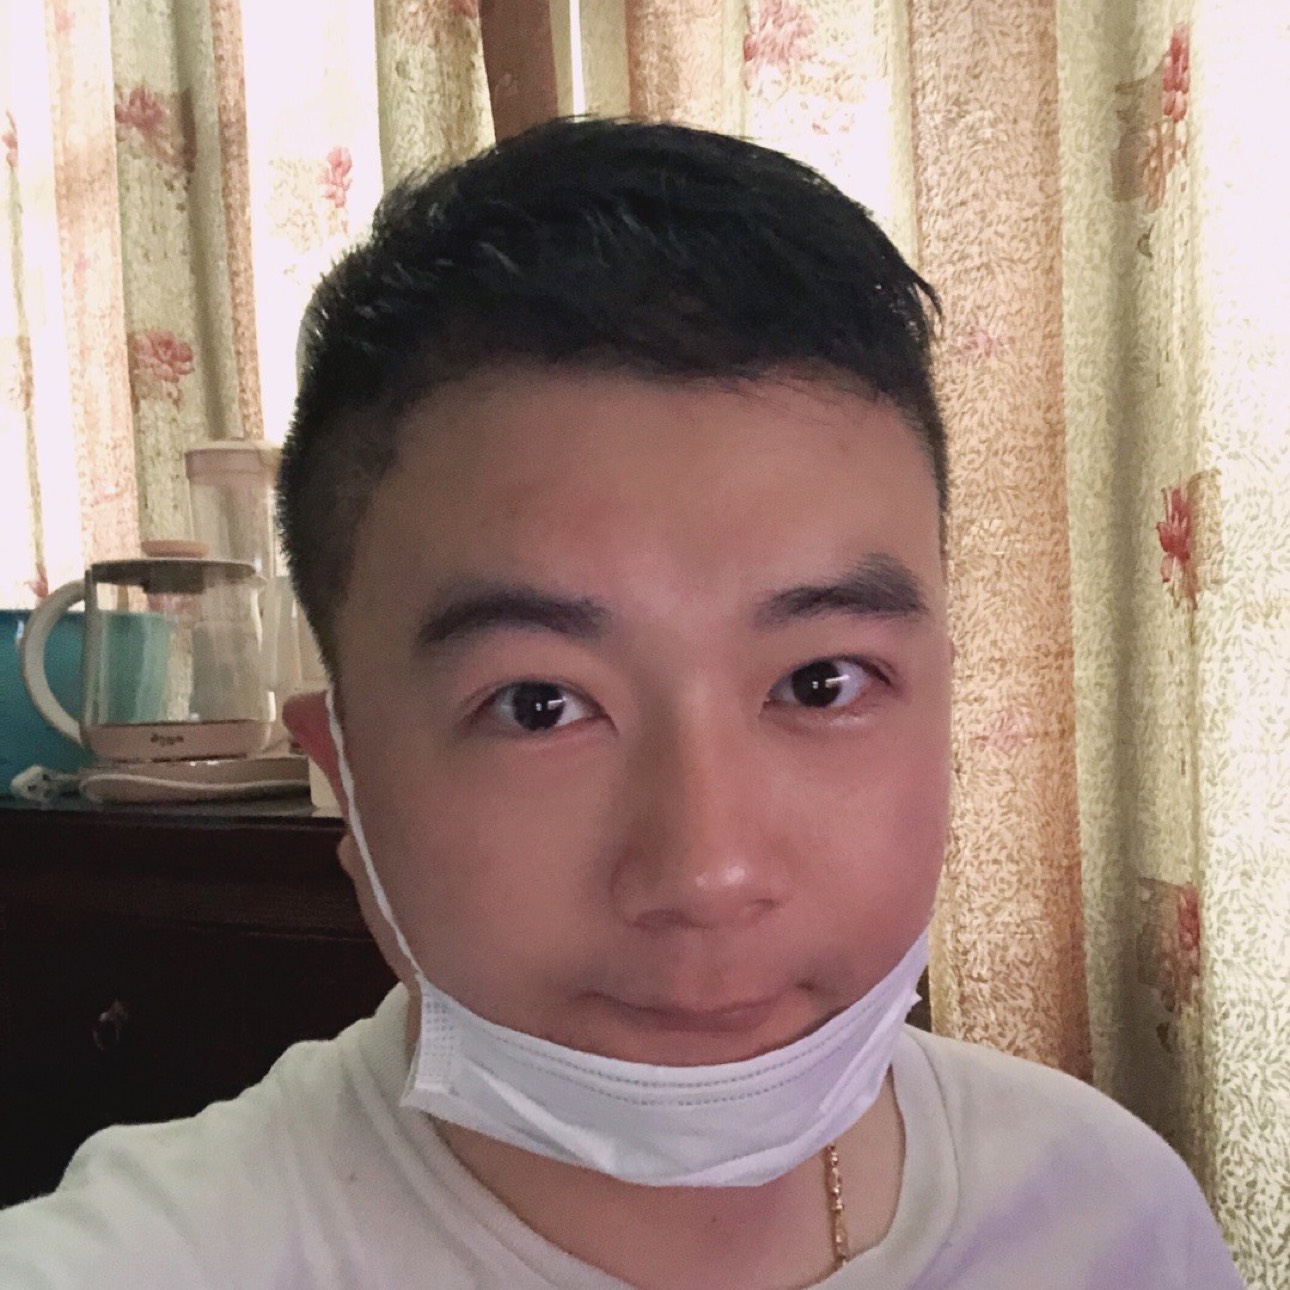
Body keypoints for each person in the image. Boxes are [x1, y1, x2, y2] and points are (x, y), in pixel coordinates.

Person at [0, 118, 1243, 1289]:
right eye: (539, 704)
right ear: (347, 771)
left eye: (822, 682)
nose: (708, 872)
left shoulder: (1110, 1221)